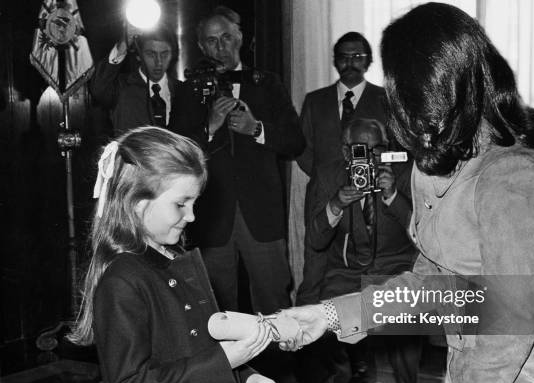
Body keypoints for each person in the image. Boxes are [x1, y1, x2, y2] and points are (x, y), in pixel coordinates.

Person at [281, 3, 534, 383]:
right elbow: (430, 282)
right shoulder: (445, 162)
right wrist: (329, 315)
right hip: (470, 374)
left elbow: (513, 321)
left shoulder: (511, 174)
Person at [68, 126, 283, 383]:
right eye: (181, 204)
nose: (192, 216)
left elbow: (198, 345)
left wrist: (246, 376)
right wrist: (226, 361)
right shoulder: (123, 279)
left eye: (195, 203)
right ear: (136, 203)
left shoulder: (176, 261)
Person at [299, 118, 423, 383]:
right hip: (347, 269)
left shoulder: (406, 172)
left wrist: (393, 196)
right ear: (345, 152)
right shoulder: (328, 175)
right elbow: (315, 239)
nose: (369, 157)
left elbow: (423, 234)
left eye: (377, 149)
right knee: (324, 313)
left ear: (388, 148)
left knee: (405, 319)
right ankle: (342, 372)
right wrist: (336, 204)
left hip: (394, 266)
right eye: (359, 150)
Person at [187, 6, 304, 316]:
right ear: (201, 46)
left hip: (262, 215)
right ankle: (229, 367)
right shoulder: (189, 89)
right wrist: (209, 127)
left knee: (274, 302)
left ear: (240, 37)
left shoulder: (268, 83)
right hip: (210, 217)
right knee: (214, 308)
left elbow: (296, 141)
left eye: (226, 37)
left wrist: (256, 128)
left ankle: (278, 366)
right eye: (211, 41)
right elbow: (178, 148)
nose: (220, 47)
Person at [296, 31, 389, 307]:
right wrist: (328, 178)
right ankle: (311, 335)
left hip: (369, 198)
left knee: (365, 263)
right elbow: (303, 149)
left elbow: (391, 147)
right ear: (335, 61)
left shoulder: (385, 99)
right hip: (325, 193)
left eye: (357, 57)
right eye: (344, 57)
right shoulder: (315, 100)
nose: (351, 62)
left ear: (369, 61)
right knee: (315, 266)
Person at [89, 25, 191, 135]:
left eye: (164, 54)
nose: (159, 62)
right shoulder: (122, 87)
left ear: (172, 55)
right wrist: (123, 44)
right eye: (151, 54)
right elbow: (98, 89)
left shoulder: (183, 90)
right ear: (138, 55)